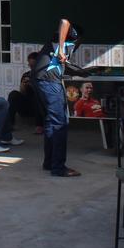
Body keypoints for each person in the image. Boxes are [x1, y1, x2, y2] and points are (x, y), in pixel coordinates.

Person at [31, 19, 85, 177]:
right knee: (60, 122)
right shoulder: (67, 39)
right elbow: (64, 21)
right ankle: (58, 167)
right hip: (48, 82)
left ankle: (50, 162)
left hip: (43, 80)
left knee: (51, 121)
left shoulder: (63, 48)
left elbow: (61, 65)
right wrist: (62, 48)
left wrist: (81, 72)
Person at [8, 52, 46, 134]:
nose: (32, 67)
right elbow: (22, 93)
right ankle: (10, 124)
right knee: (13, 94)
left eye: (33, 65)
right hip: (27, 106)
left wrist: (33, 85)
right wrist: (23, 85)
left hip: (40, 107)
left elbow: (45, 93)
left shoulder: (44, 75)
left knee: (37, 96)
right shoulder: (26, 75)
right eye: (30, 65)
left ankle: (39, 126)